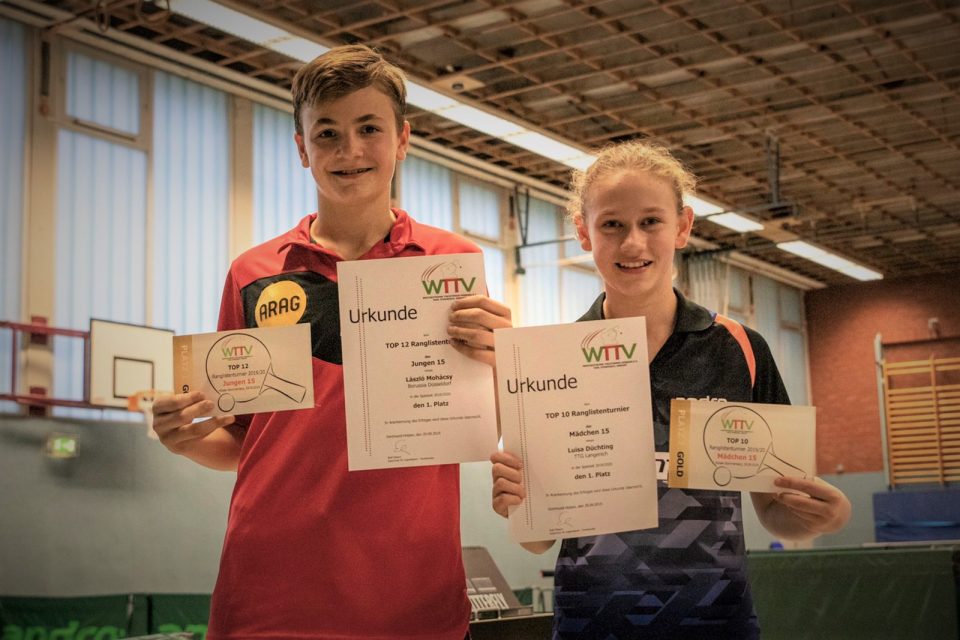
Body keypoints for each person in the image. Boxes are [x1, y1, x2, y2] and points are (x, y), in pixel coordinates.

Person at [152, 44, 508, 639]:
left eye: (369, 128)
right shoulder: (253, 272)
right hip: (272, 593)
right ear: (302, 149)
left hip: (412, 595)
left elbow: (478, 424)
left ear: (403, 139)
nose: (350, 150)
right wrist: (185, 439)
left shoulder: (451, 262)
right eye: (327, 133)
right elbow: (242, 439)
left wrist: (500, 359)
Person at [490, 141, 852, 639]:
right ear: (583, 232)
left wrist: (825, 517)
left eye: (651, 222)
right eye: (612, 224)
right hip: (591, 626)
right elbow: (539, 541)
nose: (633, 243)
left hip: (718, 625)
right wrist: (516, 505)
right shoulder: (547, 362)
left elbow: (775, 511)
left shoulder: (741, 349)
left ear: (683, 226)